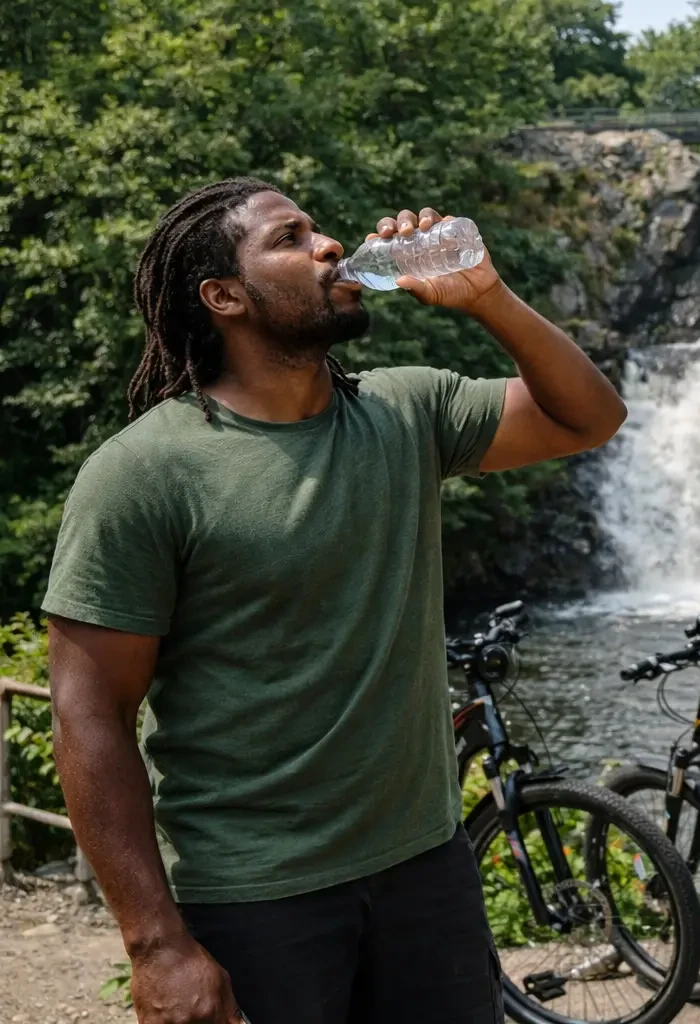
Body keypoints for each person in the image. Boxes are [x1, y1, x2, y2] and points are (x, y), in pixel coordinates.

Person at [43, 178, 627, 1024]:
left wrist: (487, 295)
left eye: (320, 228)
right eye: (291, 237)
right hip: (256, 897)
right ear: (224, 296)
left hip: (429, 872)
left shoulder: (406, 409)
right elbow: (88, 712)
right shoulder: (141, 475)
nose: (328, 245)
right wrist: (156, 944)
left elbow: (590, 417)